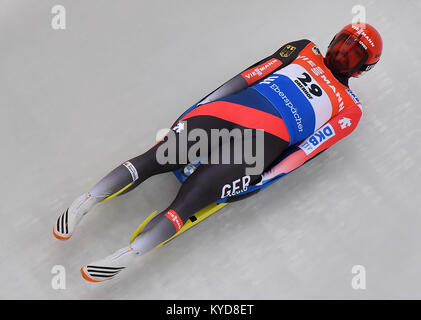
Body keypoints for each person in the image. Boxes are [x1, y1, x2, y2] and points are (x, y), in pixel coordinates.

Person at [53, 22, 383, 282]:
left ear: (360, 69)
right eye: (343, 44)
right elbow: (249, 75)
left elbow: (308, 150)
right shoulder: (303, 48)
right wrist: (203, 107)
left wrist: (264, 179)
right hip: (231, 111)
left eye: (353, 55)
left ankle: (126, 255)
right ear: (332, 39)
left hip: (261, 142)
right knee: (160, 156)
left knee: (194, 196)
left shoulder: (350, 109)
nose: (342, 55)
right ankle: (87, 200)